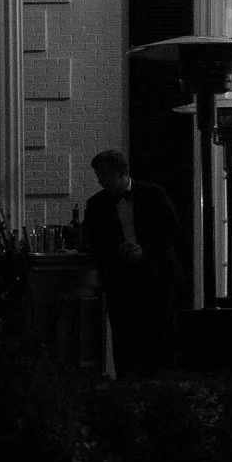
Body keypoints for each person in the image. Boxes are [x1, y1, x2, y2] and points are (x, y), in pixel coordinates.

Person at [80, 149, 182, 377]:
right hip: (120, 279)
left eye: (104, 175)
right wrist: (119, 249)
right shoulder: (96, 203)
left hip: (155, 275)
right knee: (124, 337)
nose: (100, 180)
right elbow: (92, 237)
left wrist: (143, 250)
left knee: (157, 335)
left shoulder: (153, 194)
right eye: (98, 175)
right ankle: (128, 385)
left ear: (120, 173)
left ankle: (157, 384)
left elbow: (171, 228)